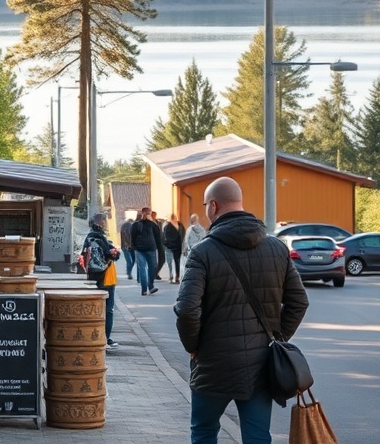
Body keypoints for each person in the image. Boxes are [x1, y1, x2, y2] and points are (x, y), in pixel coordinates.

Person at [174, 176, 309, 444]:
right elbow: (299, 302)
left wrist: (193, 346)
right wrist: (277, 337)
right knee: (257, 436)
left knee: (203, 431)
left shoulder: (202, 252)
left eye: (205, 205)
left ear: (213, 206)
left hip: (212, 363)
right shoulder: (276, 248)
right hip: (260, 365)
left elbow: (187, 309)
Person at [82, 212, 121, 349]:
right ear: (100, 223)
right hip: (105, 277)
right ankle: (105, 338)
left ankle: (100, 337)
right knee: (108, 310)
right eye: (104, 221)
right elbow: (108, 255)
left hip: (97, 277)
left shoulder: (90, 238)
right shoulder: (98, 238)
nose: (105, 224)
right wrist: (114, 253)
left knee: (100, 309)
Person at [131, 206, 162, 295]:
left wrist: (134, 247)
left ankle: (145, 289)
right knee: (150, 268)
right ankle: (149, 287)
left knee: (144, 268)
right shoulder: (150, 225)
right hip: (147, 249)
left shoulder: (137, 225)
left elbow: (132, 237)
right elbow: (158, 237)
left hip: (143, 249)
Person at [163, 213, 186, 283]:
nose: (175, 219)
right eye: (174, 218)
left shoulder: (179, 225)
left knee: (176, 262)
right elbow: (166, 237)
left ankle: (176, 276)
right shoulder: (168, 226)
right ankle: (173, 276)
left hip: (176, 246)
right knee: (173, 262)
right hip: (171, 247)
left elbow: (183, 234)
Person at [119, 211, 137, 280]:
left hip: (127, 246)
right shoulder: (129, 226)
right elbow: (126, 236)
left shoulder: (125, 226)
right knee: (131, 260)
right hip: (127, 246)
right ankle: (129, 273)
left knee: (131, 260)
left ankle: (129, 272)